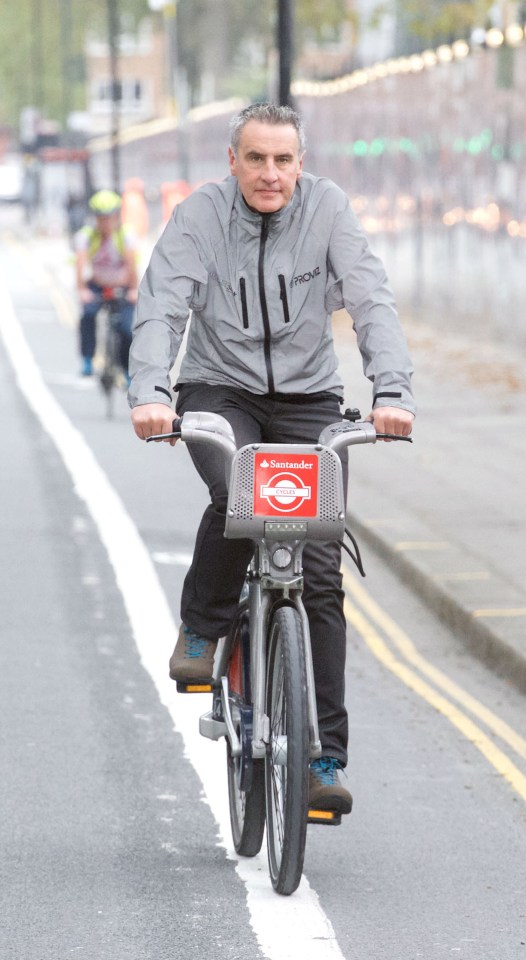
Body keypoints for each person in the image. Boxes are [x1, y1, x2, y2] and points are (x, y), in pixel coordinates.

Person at [128, 103, 415, 815]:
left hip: (309, 398)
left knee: (319, 574)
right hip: (217, 389)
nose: (270, 174)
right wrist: (150, 393)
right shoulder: (200, 215)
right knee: (240, 495)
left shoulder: (329, 211)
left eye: (284, 160)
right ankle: (204, 624)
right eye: (256, 159)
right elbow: (163, 305)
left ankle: (323, 757)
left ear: (300, 162)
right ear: (233, 161)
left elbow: (373, 300)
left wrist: (393, 391)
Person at [75, 189, 139, 378]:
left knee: (126, 329)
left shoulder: (125, 235)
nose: (105, 222)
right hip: (97, 284)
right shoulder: (86, 236)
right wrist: (82, 289)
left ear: (116, 217)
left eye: (109, 217)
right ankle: (87, 358)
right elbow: (79, 264)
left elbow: (131, 264)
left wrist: (134, 289)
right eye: (101, 218)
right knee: (87, 314)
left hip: (123, 285)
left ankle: (127, 371)